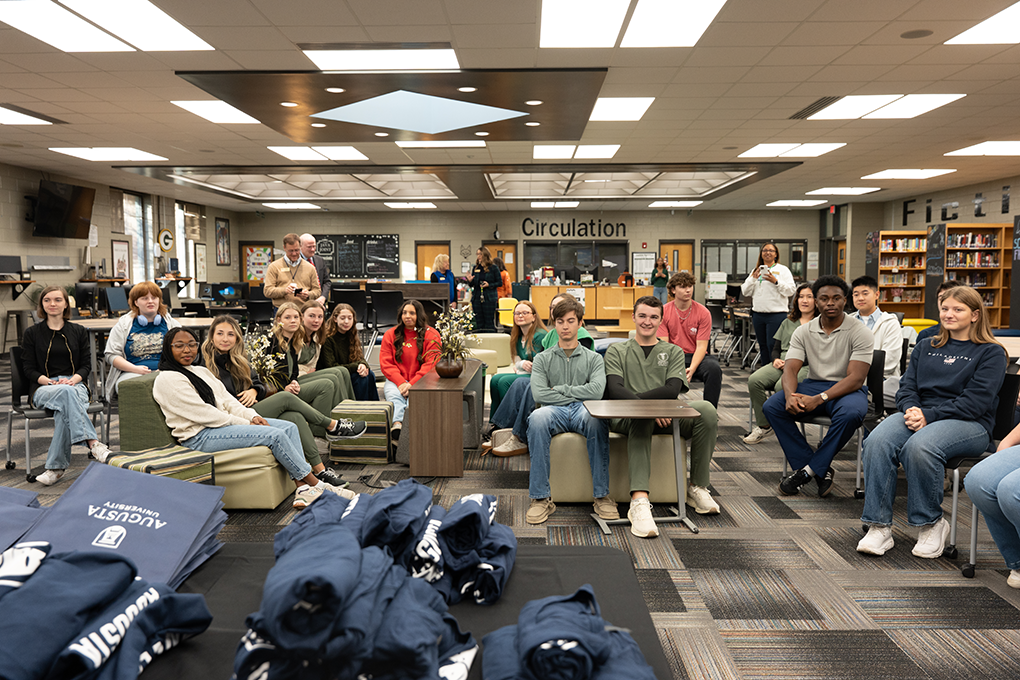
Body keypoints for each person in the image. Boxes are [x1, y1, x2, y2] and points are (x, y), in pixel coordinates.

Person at [858, 286, 1006, 558]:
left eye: (958, 309)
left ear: (975, 315)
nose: (949, 314)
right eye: (945, 308)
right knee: (877, 440)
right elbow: (907, 387)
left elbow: (975, 402)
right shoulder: (926, 345)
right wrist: (912, 408)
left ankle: (930, 523)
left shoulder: (991, 352)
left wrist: (929, 415)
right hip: (921, 415)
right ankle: (879, 526)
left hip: (970, 423)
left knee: (920, 446)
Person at [152, 328, 355, 510]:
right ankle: (317, 485)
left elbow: (228, 400)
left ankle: (303, 489)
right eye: (179, 346)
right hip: (199, 436)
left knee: (289, 427)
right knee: (274, 436)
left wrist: (253, 416)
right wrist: (245, 423)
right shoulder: (167, 378)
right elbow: (204, 414)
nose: (187, 350)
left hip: (219, 427)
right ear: (168, 349)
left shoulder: (200, 371)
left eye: (191, 345)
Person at [200, 315, 366, 488]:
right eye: (220, 333)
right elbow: (213, 399)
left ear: (237, 338)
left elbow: (260, 383)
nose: (225, 339)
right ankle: (332, 426)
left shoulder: (238, 359)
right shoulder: (204, 364)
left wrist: (254, 390)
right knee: (286, 397)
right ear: (211, 336)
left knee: (294, 416)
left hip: (252, 408)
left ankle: (320, 470)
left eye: (230, 334)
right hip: (232, 416)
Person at [605, 296, 720, 538]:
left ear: (661, 320)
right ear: (634, 317)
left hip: (666, 415)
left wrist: (660, 408)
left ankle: (697, 486)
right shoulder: (617, 350)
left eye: (654, 317)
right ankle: (639, 501)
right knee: (642, 417)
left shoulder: (673, 351)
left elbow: (672, 389)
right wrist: (652, 409)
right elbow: (615, 389)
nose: (648, 321)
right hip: (627, 416)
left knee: (707, 409)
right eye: (643, 316)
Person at [763, 275, 874, 497]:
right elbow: (791, 369)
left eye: (836, 298)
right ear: (816, 301)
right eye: (824, 298)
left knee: (852, 413)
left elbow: (856, 379)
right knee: (772, 407)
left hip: (847, 389)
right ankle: (818, 469)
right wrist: (790, 395)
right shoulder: (803, 331)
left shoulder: (860, 331)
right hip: (813, 384)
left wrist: (820, 399)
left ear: (845, 301)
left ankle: (807, 471)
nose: (830, 303)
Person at [525, 297, 615, 525]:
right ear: (555, 324)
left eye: (571, 321)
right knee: (536, 417)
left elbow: (596, 392)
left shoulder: (594, 359)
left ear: (580, 323)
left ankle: (602, 495)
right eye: (560, 321)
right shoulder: (543, 358)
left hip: (584, 410)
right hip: (552, 411)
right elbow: (539, 395)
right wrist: (578, 391)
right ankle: (540, 498)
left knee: (596, 419)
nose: (565, 326)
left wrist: (562, 389)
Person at [21, 285, 113, 485]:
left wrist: (73, 379)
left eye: (57, 300)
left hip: (75, 385)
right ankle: (93, 443)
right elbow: (28, 369)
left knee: (66, 405)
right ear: (42, 305)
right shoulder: (32, 333)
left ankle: (55, 468)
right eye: (47, 300)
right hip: (43, 387)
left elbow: (86, 365)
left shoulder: (78, 331)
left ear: (66, 304)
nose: (52, 304)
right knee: (65, 393)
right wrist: (49, 380)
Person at [488, 293, 591, 456]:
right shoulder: (551, 335)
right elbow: (541, 363)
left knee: (528, 385)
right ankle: (503, 430)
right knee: (518, 383)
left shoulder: (581, 333)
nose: (555, 310)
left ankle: (518, 437)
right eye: (553, 307)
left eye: (560, 306)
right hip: (549, 378)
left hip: (568, 384)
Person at [744, 283, 815, 444]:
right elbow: (775, 347)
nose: (804, 300)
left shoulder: (820, 323)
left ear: (816, 301)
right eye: (801, 297)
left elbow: (820, 353)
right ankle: (764, 425)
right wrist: (775, 359)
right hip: (782, 361)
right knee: (754, 380)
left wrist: (794, 363)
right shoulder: (788, 321)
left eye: (809, 297)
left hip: (805, 365)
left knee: (780, 387)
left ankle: (784, 427)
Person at [265, 303, 344, 435]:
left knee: (337, 375)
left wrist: (294, 381)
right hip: (276, 393)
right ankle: (320, 433)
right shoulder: (272, 342)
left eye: (296, 317)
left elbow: (293, 371)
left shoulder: (293, 341)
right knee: (326, 385)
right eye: (288, 317)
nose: (293, 321)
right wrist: (283, 388)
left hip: (290, 387)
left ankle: (344, 414)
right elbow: (265, 376)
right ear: (279, 320)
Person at [103, 281, 181, 401]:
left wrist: (166, 367)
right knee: (133, 388)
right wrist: (135, 369)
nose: (150, 301)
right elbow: (112, 355)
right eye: (144, 298)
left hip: (166, 371)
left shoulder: (172, 325)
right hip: (132, 372)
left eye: (154, 298)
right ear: (136, 302)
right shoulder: (123, 325)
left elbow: (182, 352)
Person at [656, 271, 722, 408]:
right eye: (682, 286)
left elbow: (701, 347)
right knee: (657, 365)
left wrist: (691, 369)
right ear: (673, 290)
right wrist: (677, 367)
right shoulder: (663, 312)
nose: (688, 290)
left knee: (714, 369)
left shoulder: (703, 312)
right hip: (673, 355)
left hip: (696, 356)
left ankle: (709, 411)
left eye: (690, 286)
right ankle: (664, 409)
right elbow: (665, 346)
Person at [379, 299, 441, 443]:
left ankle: (410, 431)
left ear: (419, 315)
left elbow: (431, 363)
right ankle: (398, 427)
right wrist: (401, 382)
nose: (408, 316)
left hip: (422, 380)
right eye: (404, 313)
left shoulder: (431, 334)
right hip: (396, 381)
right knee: (394, 397)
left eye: (412, 313)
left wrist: (412, 383)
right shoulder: (390, 334)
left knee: (415, 400)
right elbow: (386, 363)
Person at [741, 242, 796, 366]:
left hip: (776, 315)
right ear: (761, 254)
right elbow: (745, 291)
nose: (767, 253)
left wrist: (776, 282)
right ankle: (765, 370)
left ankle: (775, 370)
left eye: (771, 250)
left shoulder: (783, 270)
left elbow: (791, 290)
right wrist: (753, 279)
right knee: (762, 345)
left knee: (773, 345)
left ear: (776, 254)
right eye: (765, 250)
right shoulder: (756, 271)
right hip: (758, 314)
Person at [489, 301, 547, 413]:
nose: (520, 316)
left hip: (536, 376)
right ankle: (494, 421)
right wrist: (521, 364)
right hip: (523, 373)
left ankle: (509, 420)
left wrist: (521, 365)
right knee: (495, 380)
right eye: (517, 313)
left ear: (534, 317)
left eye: (525, 313)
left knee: (504, 382)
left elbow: (537, 364)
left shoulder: (540, 335)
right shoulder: (517, 336)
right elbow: (516, 360)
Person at [849, 275, 903, 396]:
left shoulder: (890, 323)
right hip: (850, 380)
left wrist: (857, 374)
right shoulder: (847, 321)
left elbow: (889, 361)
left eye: (865, 293)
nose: (860, 298)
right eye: (856, 294)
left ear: (877, 295)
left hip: (881, 381)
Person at [298, 300, 355, 409]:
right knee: (333, 377)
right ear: (302, 317)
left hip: (309, 374)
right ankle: (343, 413)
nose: (316, 320)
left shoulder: (318, 337)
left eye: (320, 317)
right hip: (297, 377)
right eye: (311, 316)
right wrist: (305, 371)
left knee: (342, 371)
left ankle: (350, 409)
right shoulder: (296, 336)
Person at [319, 303, 380, 401]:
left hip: (349, 372)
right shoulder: (328, 339)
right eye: (342, 318)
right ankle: (360, 409)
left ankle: (375, 409)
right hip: (334, 376)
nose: (346, 321)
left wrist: (363, 365)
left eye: (349, 318)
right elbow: (331, 366)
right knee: (362, 379)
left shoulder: (351, 335)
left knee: (370, 374)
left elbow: (359, 357)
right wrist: (357, 366)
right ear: (335, 319)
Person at [264, 233, 320, 307]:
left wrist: (308, 294)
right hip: (281, 310)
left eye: (297, 250)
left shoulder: (310, 267)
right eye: (291, 251)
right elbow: (267, 291)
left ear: (300, 247)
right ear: (284, 248)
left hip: (303, 310)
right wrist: (284, 290)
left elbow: (317, 291)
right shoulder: (274, 266)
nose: (294, 254)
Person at [465, 246, 499, 331]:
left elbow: (499, 282)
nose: (478, 256)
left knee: (489, 322)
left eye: (480, 254)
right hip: (477, 298)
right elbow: (473, 284)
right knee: (479, 322)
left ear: (485, 254)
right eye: (477, 254)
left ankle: (490, 340)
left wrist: (489, 284)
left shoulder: (493, 268)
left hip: (489, 298)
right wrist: (469, 281)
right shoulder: (476, 268)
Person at [299, 233, 330, 306]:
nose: (312, 249)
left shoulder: (320, 260)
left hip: (320, 302)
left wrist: (323, 297)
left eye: (314, 246)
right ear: (300, 247)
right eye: (309, 247)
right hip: (304, 303)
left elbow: (327, 282)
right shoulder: (296, 262)